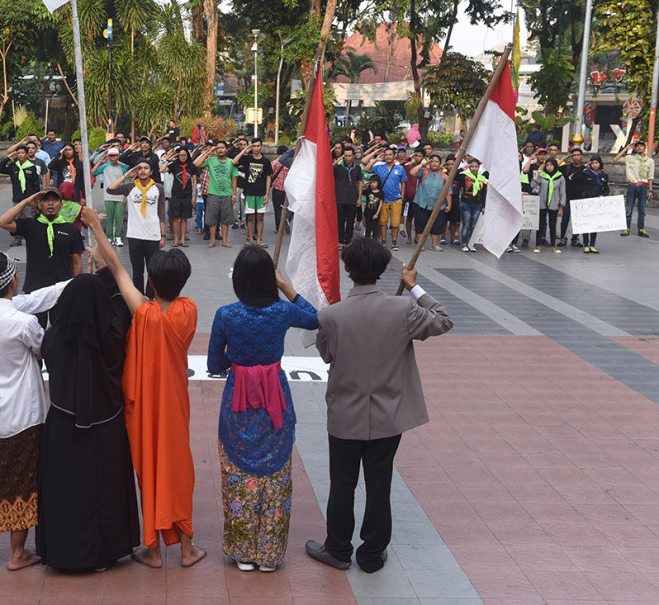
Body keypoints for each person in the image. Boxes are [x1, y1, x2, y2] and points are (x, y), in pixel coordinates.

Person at [306, 238, 452, 573]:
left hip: (344, 416)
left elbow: (327, 354)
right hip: (388, 416)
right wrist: (414, 288)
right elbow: (442, 319)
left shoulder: (330, 315)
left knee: (342, 483)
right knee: (379, 482)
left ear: (347, 269)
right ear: (384, 270)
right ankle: (372, 554)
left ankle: (338, 549)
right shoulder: (403, 309)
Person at [81, 208, 206, 569]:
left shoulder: (144, 313)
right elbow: (124, 272)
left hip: (143, 408)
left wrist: (95, 229)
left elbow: (118, 270)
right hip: (174, 406)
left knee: (147, 470)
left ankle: (151, 549)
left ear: (150, 282)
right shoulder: (188, 310)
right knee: (178, 470)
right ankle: (186, 548)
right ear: (183, 281)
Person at [207, 246, 318, 572]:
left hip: (238, 401)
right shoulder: (282, 312)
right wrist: (286, 286)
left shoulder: (226, 315)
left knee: (239, 474)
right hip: (275, 400)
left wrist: (241, 362)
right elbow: (314, 318)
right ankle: (269, 554)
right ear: (269, 279)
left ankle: (243, 552)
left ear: (239, 280)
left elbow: (215, 364)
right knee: (275, 474)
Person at [0, 250, 72, 571]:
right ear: (13, 281)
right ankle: (17, 553)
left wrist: (70, 284)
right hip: (24, 415)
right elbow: (43, 345)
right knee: (25, 481)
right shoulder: (24, 323)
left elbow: (33, 299)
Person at [36, 271, 140, 571]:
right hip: (107, 424)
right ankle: (103, 554)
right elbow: (122, 305)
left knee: (65, 490)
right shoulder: (113, 335)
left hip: (62, 424)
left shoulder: (53, 337)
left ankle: (63, 552)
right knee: (103, 488)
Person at [0, 188, 84, 295]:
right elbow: (2, 222)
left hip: (62, 289)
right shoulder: (30, 225)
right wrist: (26, 202)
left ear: (61, 205)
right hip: (35, 290)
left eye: (55, 200)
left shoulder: (72, 229)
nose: (50, 203)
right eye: (46, 200)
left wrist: (77, 287)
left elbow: (77, 262)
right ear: (39, 205)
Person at [107, 159, 167, 297]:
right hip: (135, 235)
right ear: (136, 171)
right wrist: (126, 175)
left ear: (151, 171)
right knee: (137, 272)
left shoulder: (158, 188)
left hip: (153, 235)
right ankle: (138, 299)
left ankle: (151, 298)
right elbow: (111, 189)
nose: (143, 170)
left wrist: (163, 235)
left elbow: (161, 213)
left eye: (146, 168)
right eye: (140, 168)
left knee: (153, 271)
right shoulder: (130, 187)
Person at [0, 138, 46, 247]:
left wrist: (36, 198)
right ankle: (17, 238)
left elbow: (35, 184)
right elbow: (0, 169)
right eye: (18, 153)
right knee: (16, 219)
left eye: (22, 153)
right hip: (17, 198)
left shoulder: (31, 167)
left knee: (30, 218)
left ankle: (31, 237)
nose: (20, 155)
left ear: (26, 154)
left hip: (29, 198)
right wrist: (8, 158)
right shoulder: (13, 166)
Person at [195, 140, 239, 248]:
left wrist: (234, 195)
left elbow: (234, 179)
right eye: (218, 148)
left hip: (227, 194)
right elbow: (196, 164)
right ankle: (213, 241)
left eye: (222, 147)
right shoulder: (210, 160)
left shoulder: (231, 162)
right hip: (213, 194)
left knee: (225, 219)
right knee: (212, 219)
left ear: (226, 149)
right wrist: (208, 151)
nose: (220, 150)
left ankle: (224, 241)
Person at [363, 146, 407, 250]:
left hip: (396, 199)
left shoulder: (400, 168)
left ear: (394, 155)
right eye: (386, 155)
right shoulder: (379, 167)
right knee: (382, 222)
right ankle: (383, 241)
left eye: (390, 154)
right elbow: (365, 168)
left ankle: (394, 242)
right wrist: (377, 159)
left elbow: (403, 183)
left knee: (395, 222)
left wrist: (402, 197)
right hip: (382, 199)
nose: (388, 157)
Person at [235, 139, 273, 247]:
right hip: (249, 192)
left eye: (258, 146)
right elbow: (234, 161)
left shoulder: (265, 161)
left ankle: (259, 240)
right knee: (250, 217)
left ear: (261, 146)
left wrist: (267, 193)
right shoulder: (247, 159)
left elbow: (268, 177)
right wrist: (245, 150)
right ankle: (251, 239)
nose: (256, 148)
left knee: (260, 217)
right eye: (254, 146)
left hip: (261, 193)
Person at [409, 154, 450, 251]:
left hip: (438, 205)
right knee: (420, 224)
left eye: (436, 161)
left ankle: (434, 244)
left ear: (440, 164)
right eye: (432, 161)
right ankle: (420, 244)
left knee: (437, 225)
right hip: (421, 203)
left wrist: (449, 204)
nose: (434, 163)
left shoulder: (445, 176)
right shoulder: (424, 171)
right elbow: (412, 172)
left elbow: (448, 191)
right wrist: (423, 164)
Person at [613, 140, 654, 237]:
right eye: (637, 146)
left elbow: (650, 177)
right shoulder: (630, 158)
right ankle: (626, 228)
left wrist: (650, 191)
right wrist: (626, 149)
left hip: (643, 186)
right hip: (632, 185)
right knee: (629, 209)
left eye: (641, 146)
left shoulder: (650, 161)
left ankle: (641, 229)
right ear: (635, 148)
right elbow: (616, 159)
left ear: (644, 148)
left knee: (642, 209)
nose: (639, 148)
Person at [570, 155, 609, 253]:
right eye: (593, 163)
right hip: (586, 202)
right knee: (586, 224)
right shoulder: (585, 174)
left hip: (597, 203)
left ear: (600, 164)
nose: (595, 165)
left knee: (594, 225)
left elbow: (606, 189)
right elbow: (573, 177)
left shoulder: (603, 175)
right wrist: (583, 167)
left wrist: (602, 195)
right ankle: (586, 244)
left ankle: (592, 245)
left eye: (597, 163)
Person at [91, 146, 128, 246]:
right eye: (111, 156)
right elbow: (93, 172)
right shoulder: (105, 166)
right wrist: (101, 161)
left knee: (119, 217)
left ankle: (118, 237)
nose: (113, 158)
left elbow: (125, 182)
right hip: (108, 195)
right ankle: (109, 237)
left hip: (120, 195)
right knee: (109, 217)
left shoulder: (123, 167)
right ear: (108, 156)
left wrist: (125, 196)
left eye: (114, 156)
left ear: (118, 156)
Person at [167, 146, 198, 248]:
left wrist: (194, 196)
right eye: (180, 155)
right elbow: (162, 170)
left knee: (184, 218)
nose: (183, 157)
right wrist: (170, 159)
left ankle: (183, 239)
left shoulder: (191, 166)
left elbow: (194, 181)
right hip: (175, 195)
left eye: (184, 155)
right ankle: (176, 240)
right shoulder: (174, 165)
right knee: (175, 218)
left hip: (187, 195)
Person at [534, 157, 565, 254]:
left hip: (554, 204)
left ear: (555, 166)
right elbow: (533, 185)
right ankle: (538, 244)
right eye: (547, 165)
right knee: (540, 224)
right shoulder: (542, 176)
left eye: (551, 165)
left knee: (553, 225)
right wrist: (537, 174)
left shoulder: (560, 177)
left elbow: (562, 193)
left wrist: (561, 206)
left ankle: (553, 245)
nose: (549, 167)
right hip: (542, 203)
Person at [334, 146, 363, 248]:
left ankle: (348, 241)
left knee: (350, 222)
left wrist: (359, 197)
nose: (347, 158)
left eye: (349, 156)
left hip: (352, 199)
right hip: (340, 199)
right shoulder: (337, 168)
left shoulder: (357, 168)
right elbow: (327, 170)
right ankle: (341, 241)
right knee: (340, 222)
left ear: (353, 156)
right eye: (345, 156)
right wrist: (337, 160)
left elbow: (360, 183)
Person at [458, 158, 488, 252]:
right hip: (466, 203)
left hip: (477, 204)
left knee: (474, 225)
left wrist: (483, 206)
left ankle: (471, 244)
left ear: (479, 168)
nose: (474, 168)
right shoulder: (464, 177)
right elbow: (454, 175)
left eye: (476, 167)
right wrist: (463, 168)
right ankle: (464, 244)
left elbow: (483, 194)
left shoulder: (481, 178)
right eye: (472, 166)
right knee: (466, 224)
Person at [361, 175, 383, 239]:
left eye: (374, 182)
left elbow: (380, 204)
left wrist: (377, 214)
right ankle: (367, 243)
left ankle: (374, 244)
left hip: (375, 213)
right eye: (371, 182)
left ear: (378, 183)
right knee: (368, 229)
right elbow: (359, 190)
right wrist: (364, 185)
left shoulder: (380, 193)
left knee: (375, 230)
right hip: (367, 213)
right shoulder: (368, 191)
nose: (372, 184)